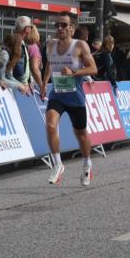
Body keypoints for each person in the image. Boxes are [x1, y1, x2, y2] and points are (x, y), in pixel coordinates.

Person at [41, 12, 98, 187]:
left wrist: (74, 72)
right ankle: (58, 164)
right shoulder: (50, 45)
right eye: (57, 25)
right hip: (57, 94)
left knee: (81, 134)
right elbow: (50, 64)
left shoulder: (80, 45)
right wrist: (44, 83)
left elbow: (93, 69)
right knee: (50, 125)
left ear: (71, 28)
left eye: (64, 25)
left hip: (75, 96)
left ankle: (87, 164)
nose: (60, 28)